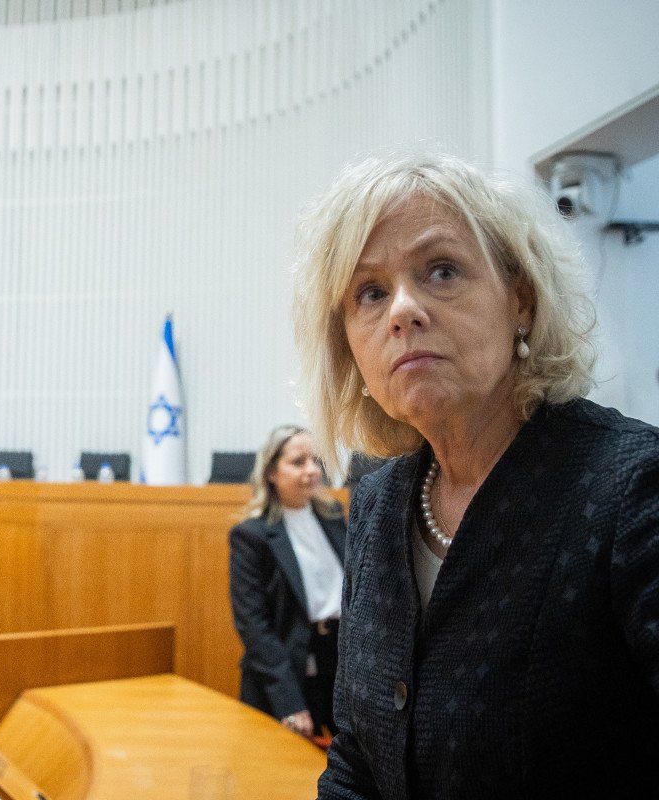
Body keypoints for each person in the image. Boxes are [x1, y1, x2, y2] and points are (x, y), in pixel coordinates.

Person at [292, 153, 659, 799]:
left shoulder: (631, 489)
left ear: (521, 301)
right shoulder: (377, 496)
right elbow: (356, 758)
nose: (403, 310)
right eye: (370, 292)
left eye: (441, 271)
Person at [229, 425, 345, 739]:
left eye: (315, 461)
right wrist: (289, 702)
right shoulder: (251, 536)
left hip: (335, 665)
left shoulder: (333, 516)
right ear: (271, 472)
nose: (311, 470)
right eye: (298, 462)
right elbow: (253, 625)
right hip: (284, 675)